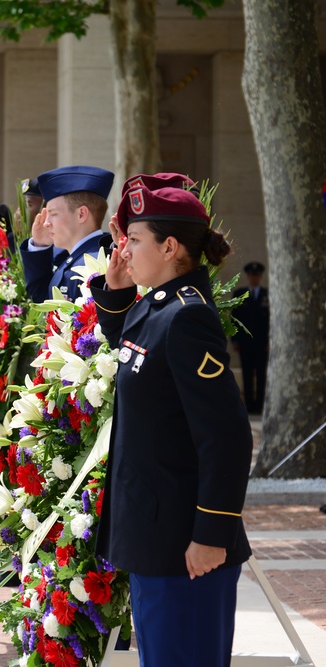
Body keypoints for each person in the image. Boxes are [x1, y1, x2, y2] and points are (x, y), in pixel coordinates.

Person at [89, 185, 251, 666]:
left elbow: (226, 437)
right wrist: (117, 294)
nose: (123, 250)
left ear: (169, 247)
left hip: (187, 548)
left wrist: (211, 535)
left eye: (134, 239)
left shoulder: (187, 316)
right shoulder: (155, 305)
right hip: (156, 540)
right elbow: (137, 358)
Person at [20, 165, 115, 302]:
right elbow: (42, 298)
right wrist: (39, 245)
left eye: (53, 214)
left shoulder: (97, 263)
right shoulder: (76, 257)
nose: (46, 223)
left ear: (81, 214)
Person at [232, 261, 270, 414]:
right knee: (247, 375)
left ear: (261, 277)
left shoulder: (267, 295)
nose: (254, 278)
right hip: (245, 343)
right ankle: (249, 407)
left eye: (257, 275)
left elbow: (270, 320)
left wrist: (270, 341)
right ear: (248, 276)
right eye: (252, 275)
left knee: (261, 376)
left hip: (262, 343)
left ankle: (260, 406)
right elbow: (234, 318)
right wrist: (234, 340)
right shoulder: (240, 294)